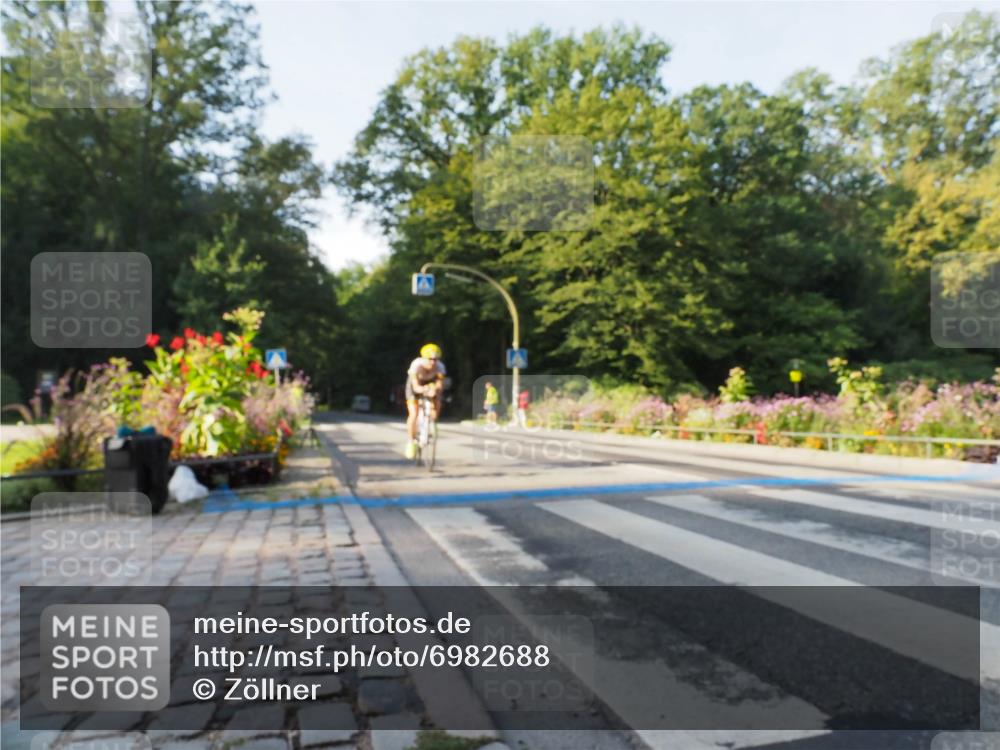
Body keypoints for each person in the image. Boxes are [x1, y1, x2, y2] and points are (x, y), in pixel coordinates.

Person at [405, 343, 446, 458]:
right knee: (414, 413)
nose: (433, 362)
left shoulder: (440, 367)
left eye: (436, 359)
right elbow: (415, 385)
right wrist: (423, 390)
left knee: (438, 399)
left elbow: (440, 384)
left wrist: (435, 390)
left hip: (430, 385)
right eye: (430, 359)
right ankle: (411, 441)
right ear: (423, 358)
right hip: (415, 387)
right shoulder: (416, 365)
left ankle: (432, 421)